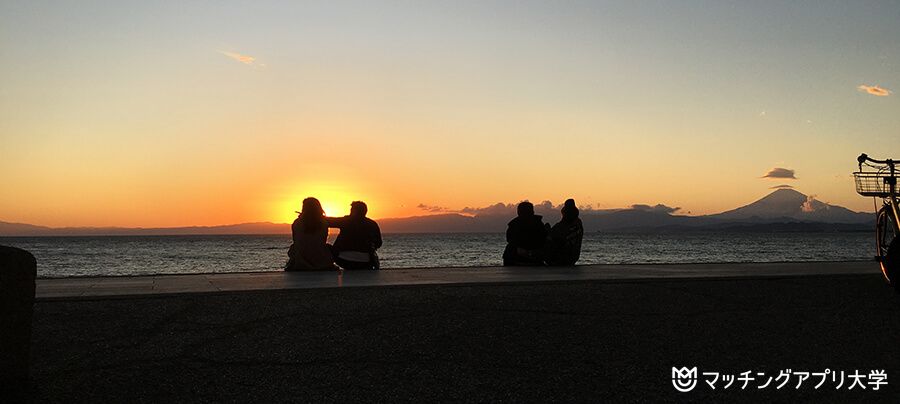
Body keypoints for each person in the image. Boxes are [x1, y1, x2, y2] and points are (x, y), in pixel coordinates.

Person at [285, 197, 337, 271]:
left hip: (300, 261)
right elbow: (322, 241)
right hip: (320, 259)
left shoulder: (296, 223)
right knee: (329, 247)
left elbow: (296, 240)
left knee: (293, 248)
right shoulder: (323, 223)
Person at [327, 201, 383, 270]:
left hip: (343, 260)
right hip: (366, 262)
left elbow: (329, 221)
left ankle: (324, 266)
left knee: (326, 247)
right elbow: (379, 243)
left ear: (354, 211)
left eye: (351, 210)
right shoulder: (372, 224)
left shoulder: (346, 221)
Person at [502, 201, 549, 266]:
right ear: (532, 212)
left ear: (518, 212)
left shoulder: (514, 225)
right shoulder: (514, 225)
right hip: (522, 258)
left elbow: (509, 239)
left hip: (531, 257)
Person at [545, 199, 584, 266]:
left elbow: (560, 239)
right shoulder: (575, 225)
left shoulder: (574, 226)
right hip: (569, 257)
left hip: (564, 257)